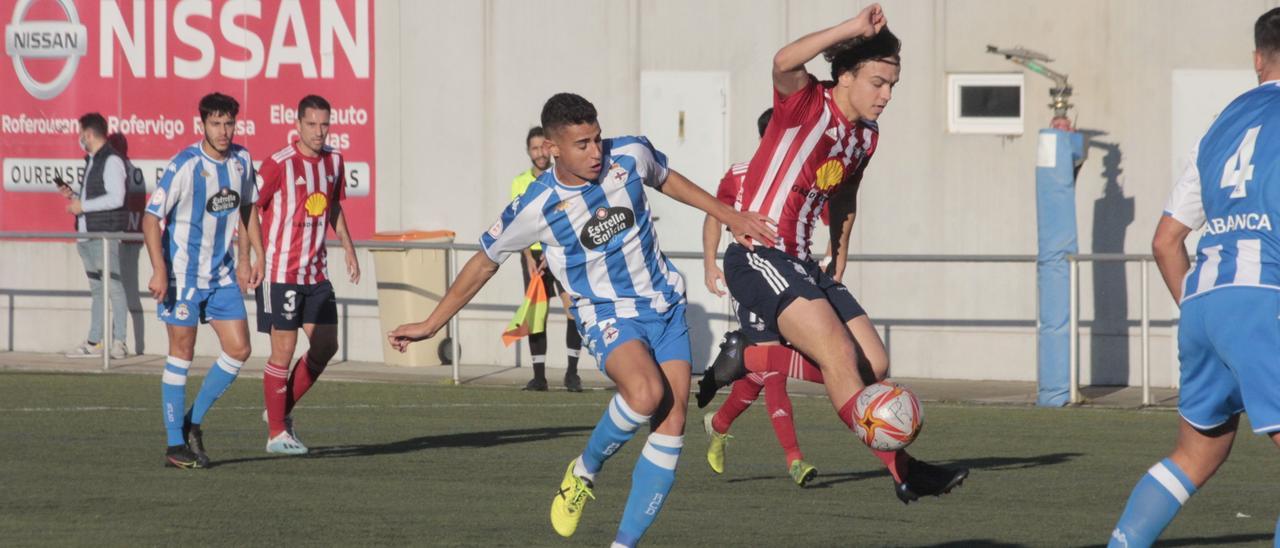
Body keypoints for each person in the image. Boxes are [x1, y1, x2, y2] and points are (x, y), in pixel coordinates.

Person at [388, 93, 774, 547]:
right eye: (582, 145)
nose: (595, 152)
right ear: (553, 147)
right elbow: (484, 262)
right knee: (646, 393)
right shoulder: (538, 205)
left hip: (666, 305)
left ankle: (621, 545)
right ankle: (583, 471)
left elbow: (667, 179)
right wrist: (432, 322)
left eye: (596, 139)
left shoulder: (629, 154)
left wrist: (728, 215)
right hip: (606, 313)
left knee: (673, 428)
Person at [716, 4, 968, 503]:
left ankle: (752, 355)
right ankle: (905, 471)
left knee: (873, 363)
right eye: (877, 82)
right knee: (837, 356)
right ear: (846, 76)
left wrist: (841, 244)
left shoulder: (865, 137)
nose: (886, 95)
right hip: (759, 254)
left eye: (893, 85)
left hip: (803, 262)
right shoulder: (806, 103)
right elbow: (783, 60)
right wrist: (854, 27)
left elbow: (845, 193)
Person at [1108, 8, 1280, 546]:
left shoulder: (1220, 125)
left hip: (1203, 301)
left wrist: (1217, 321)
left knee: (1197, 453)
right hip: (1264, 300)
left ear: (1257, 59)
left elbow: (1164, 241)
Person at [700, 108, 823, 487]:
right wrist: (709, 263)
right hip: (752, 275)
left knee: (763, 368)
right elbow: (713, 214)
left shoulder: (804, 174)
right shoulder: (739, 175)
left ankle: (719, 423)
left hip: (791, 278)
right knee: (774, 370)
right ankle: (795, 460)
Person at [142, 92, 262, 469]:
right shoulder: (185, 165)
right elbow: (150, 218)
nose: (224, 131)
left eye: (229, 123)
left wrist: (249, 257)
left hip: (222, 273)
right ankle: (175, 446)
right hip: (182, 275)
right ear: (203, 125)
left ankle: (192, 422)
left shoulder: (242, 160)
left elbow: (247, 210)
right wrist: (160, 269)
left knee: (240, 349)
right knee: (183, 353)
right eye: (216, 124)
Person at [253, 94, 361, 455]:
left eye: (324, 124)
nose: (319, 131)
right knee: (283, 351)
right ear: (297, 124)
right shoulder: (277, 164)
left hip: (316, 276)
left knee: (327, 345)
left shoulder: (334, 162)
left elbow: (333, 205)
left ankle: (278, 413)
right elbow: (249, 207)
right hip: (281, 272)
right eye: (312, 124)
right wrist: (249, 255)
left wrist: (347, 245)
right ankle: (276, 434)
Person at [510, 126, 584, 392]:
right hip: (534, 256)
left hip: (561, 252)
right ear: (529, 151)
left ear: (551, 147)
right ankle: (538, 377)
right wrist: (529, 256)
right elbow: (518, 224)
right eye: (534, 148)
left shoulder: (561, 178)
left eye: (543, 146)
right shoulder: (520, 182)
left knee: (572, 310)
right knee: (536, 313)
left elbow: (568, 217)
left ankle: (572, 374)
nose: (540, 153)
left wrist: (554, 251)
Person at [61, 113, 129, 360]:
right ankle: (95, 341)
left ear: (88, 134)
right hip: (86, 235)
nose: (80, 138)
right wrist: (74, 195)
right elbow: (93, 196)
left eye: (81, 134)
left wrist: (83, 206)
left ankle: (119, 342)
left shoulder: (112, 161)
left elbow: (116, 197)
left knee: (114, 287)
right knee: (98, 290)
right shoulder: (91, 161)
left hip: (104, 235)